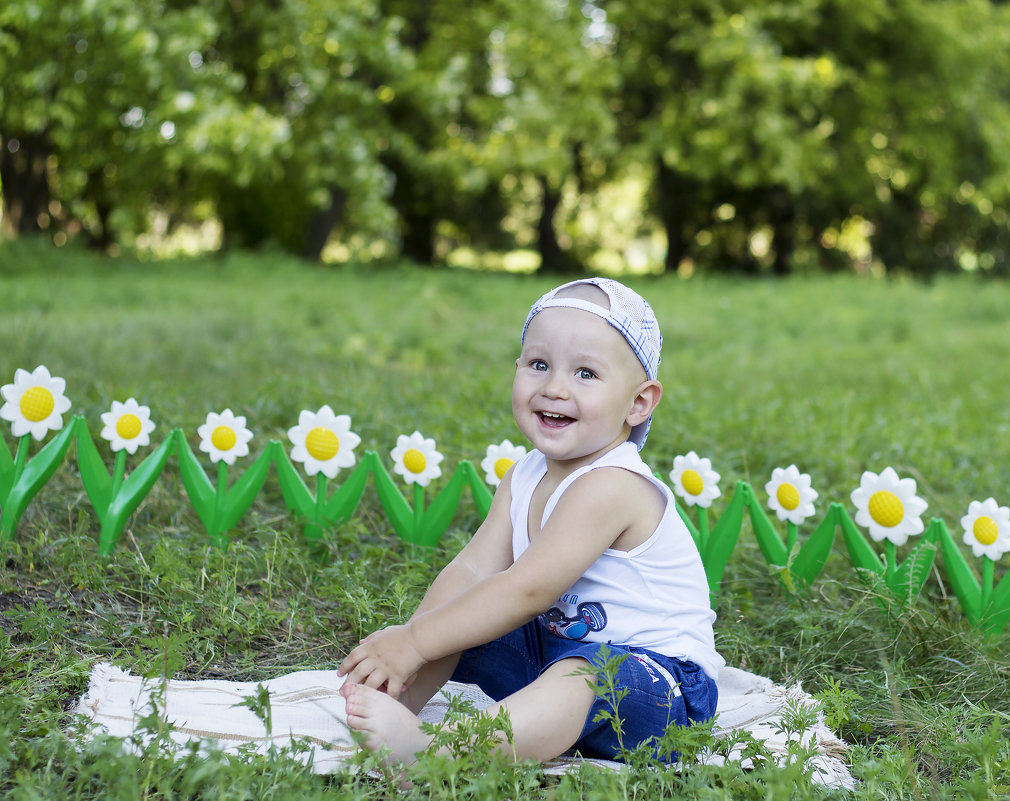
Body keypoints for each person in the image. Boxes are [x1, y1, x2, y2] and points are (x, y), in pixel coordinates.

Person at [338, 277, 723, 767]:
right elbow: (472, 572)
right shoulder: (524, 474)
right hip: (555, 656)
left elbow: (528, 590)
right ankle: (399, 698)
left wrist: (414, 641)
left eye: (586, 373)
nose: (555, 387)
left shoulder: (613, 485)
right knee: (465, 611)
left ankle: (444, 753)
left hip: (660, 691)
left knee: (584, 673)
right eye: (539, 365)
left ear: (638, 402)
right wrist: (411, 644)